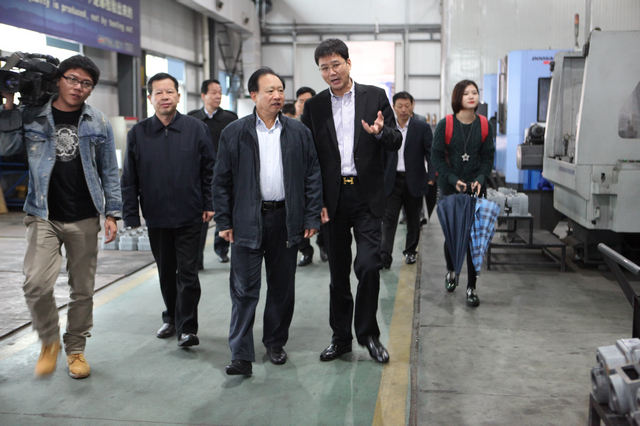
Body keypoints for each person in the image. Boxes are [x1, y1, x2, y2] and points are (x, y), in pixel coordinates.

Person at [0, 55, 121, 379]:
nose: (78, 87)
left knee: (82, 291)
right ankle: (49, 339)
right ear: (58, 80)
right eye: (72, 79)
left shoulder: (98, 122)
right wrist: (8, 104)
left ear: (91, 89)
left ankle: (76, 349)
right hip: (44, 214)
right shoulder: (32, 116)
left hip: (84, 216)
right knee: (35, 284)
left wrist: (112, 212)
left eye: (86, 83)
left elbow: (109, 170)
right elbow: (6, 148)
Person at [213, 67, 323, 375]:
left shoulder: (299, 132)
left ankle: (275, 342)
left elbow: (312, 176)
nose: (277, 96)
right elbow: (221, 181)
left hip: (286, 219)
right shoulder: (234, 132)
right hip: (246, 220)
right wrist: (224, 221)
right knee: (244, 290)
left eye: (280, 90)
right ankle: (241, 355)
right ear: (254, 95)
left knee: (281, 287)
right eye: (270, 90)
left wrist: (311, 216)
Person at [301, 38, 402, 363]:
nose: (331, 72)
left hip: (366, 196)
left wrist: (379, 132)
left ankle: (369, 335)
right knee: (338, 273)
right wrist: (314, 202)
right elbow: (309, 159)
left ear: (348, 63)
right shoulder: (314, 107)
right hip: (332, 200)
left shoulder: (375, 96)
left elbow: (395, 140)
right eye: (324, 68)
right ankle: (341, 338)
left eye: (336, 65)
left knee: (369, 265)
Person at [121, 72, 215, 346]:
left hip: (190, 214)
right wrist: (130, 214)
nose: (165, 97)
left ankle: (187, 328)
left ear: (178, 95)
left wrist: (209, 203)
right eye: (159, 93)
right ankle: (171, 318)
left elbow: (209, 169)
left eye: (169, 91)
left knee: (188, 273)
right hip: (156, 215)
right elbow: (129, 177)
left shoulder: (196, 129)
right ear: (150, 98)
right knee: (165, 272)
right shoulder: (138, 133)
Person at [431, 79, 495, 307]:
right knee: (453, 237)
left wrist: (480, 179)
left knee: (473, 240)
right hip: (450, 189)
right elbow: (437, 156)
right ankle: (451, 269)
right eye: (466, 93)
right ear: (458, 97)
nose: (471, 96)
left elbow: (488, 157)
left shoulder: (484, 125)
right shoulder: (446, 124)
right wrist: (452, 179)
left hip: (476, 190)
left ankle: (471, 287)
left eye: (474, 92)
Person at [380, 91, 435, 268]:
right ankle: (384, 256)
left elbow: (430, 153)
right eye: (400, 106)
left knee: (413, 219)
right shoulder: (387, 127)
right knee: (389, 220)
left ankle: (410, 252)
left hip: (415, 180)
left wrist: (431, 175)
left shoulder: (422, 127)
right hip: (392, 181)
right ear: (394, 107)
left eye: (407, 105)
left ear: (412, 106)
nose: (403, 109)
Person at [188, 79, 238, 267]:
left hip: (225, 175)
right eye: (213, 92)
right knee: (201, 217)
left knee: (224, 213)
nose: (218, 96)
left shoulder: (230, 119)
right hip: (201, 176)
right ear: (203, 95)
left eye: (220, 92)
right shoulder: (192, 119)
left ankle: (222, 250)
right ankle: (197, 259)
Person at [293, 86, 326, 267]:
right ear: (296, 104)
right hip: (298, 180)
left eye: (308, 101)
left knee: (323, 215)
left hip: (321, 177)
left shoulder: (323, 125)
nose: (305, 105)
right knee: (298, 218)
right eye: (301, 101)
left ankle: (323, 245)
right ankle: (306, 251)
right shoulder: (291, 126)